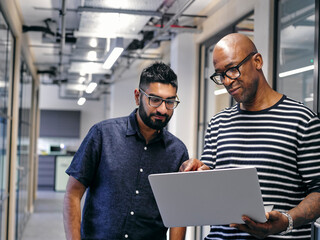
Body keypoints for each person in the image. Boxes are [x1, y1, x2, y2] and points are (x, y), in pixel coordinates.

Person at [180, 33, 320, 239]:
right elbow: (209, 184)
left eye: (232, 70)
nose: (227, 81)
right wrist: (195, 174)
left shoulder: (301, 120)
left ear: (257, 61)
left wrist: (286, 221)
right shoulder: (218, 123)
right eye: (220, 74)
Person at [63, 62, 188, 240]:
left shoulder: (177, 151)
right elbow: (73, 193)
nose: (162, 109)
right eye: (155, 99)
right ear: (138, 97)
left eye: (170, 102)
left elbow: (178, 211)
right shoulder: (102, 134)